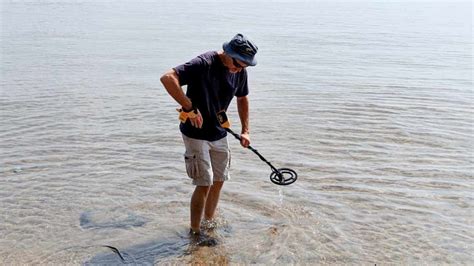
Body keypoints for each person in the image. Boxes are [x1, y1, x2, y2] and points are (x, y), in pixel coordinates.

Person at [160, 33, 258, 244]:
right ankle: (195, 233)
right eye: (238, 65)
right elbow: (167, 78)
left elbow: (242, 98)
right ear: (227, 54)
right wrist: (188, 106)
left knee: (219, 180)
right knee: (204, 183)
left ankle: (209, 222)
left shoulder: (240, 71)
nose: (239, 70)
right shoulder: (203, 63)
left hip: (219, 132)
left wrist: (245, 130)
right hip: (195, 133)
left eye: (244, 67)